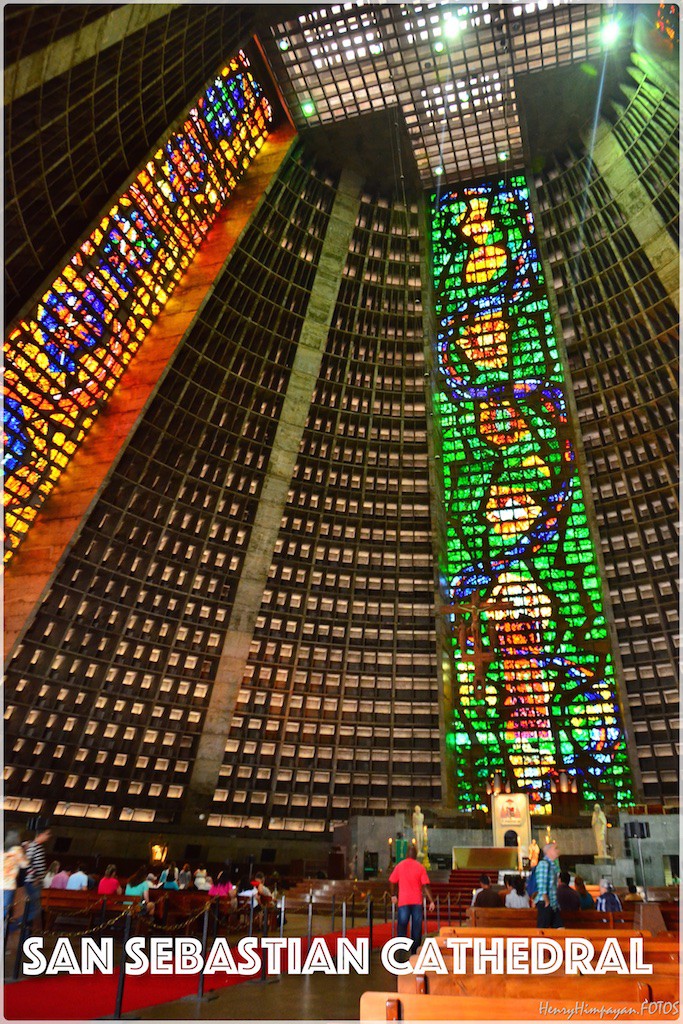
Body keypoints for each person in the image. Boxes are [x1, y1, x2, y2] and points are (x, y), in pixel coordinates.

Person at [389, 845, 435, 955]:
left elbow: (392, 881)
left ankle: (401, 950)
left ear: (406, 854)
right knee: (416, 927)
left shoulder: (399, 866)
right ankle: (415, 951)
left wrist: (393, 895)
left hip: (403, 901)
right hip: (416, 901)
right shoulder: (420, 867)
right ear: (415, 855)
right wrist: (431, 901)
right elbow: (425, 886)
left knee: (402, 926)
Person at [24, 829, 51, 927]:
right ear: (40, 834)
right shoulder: (34, 846)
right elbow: (26, 862)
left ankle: (24, 930)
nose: (49, 836)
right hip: (32, 882)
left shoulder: (37, 847)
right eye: (47, 834)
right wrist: (35, 877)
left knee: (33, 909)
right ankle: (15, 926)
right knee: (34, 909)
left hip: (35, 882)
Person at [534, 841, 563, 928]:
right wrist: (546, 901)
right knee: (543, 929)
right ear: (549, 851)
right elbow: (542, 884)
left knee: (560, 928)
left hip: (553, 903)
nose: (558, 851)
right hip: (546, 902)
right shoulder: (544, 864)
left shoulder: (552, 864)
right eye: (555, 848)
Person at [3, 831, 28, 923]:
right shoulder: (17, 850)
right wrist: (24, 850)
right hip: (9, 883)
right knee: (5, 909)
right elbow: (25, 864)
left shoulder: (3, 849)